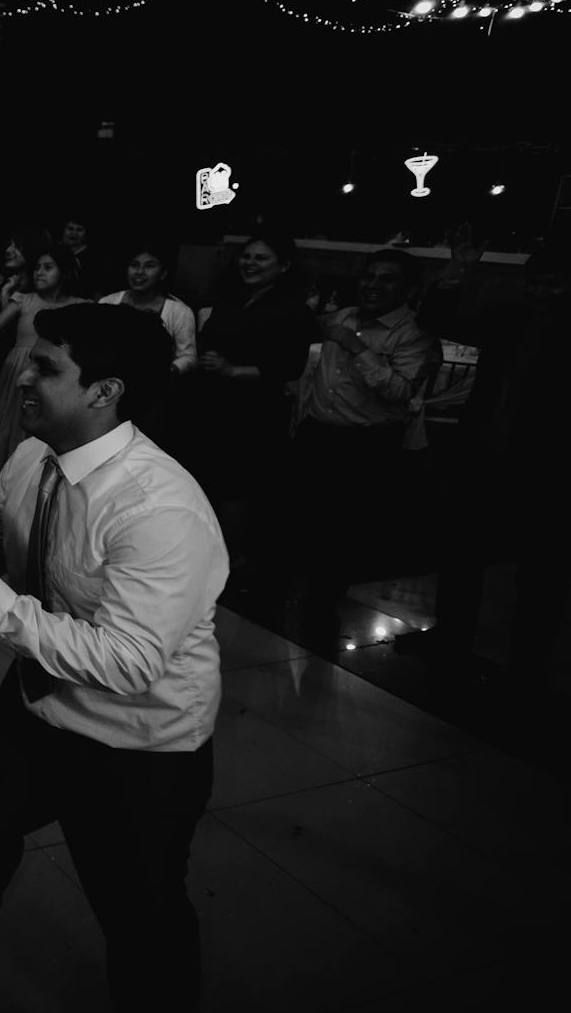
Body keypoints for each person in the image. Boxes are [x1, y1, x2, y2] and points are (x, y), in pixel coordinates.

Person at [0, 303, 226, 1013]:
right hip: (38, 701)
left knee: (142, 913)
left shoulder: (160, 506)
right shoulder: (36, 454)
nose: (23, 377)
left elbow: (128, 661)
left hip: (137, 743)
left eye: (45, 366)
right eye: (29, 359)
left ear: (106, 390)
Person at [396, 233, 571, 679]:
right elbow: (437, 317)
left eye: (552, 285)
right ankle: (451, 638)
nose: (540, 293)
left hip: (547, 469)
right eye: (535, 283)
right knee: (461, 553)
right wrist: (457, 268)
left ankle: (527, 663)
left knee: (541, 573)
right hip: (484, 458)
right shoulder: (511, 318)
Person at [289, 249, 438, 613]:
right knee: (307, 519)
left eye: (386, 279)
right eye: (369, 276)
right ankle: (297, 591)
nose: (373, 285)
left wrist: (358, 347)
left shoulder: (414, 333)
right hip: (318, 433)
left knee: (347, 529)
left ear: (408, 287)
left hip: (365, 444)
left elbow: (402, 392)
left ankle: (325, 604)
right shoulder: (342, 315)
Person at [182, 232, 317, 582]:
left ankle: (229, 560)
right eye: (247, 256)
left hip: (253, 409)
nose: (250, 263)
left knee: (236, 485)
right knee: (205, 478)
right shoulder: (232, 300)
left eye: (261, 258)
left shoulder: (293, 310)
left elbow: (290, 365)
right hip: (211, 402)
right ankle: (199, 552)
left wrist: (234, 369)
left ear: (284, 266)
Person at [0, 244, 87, 474]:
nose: (39, 272)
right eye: (37, 267)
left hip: (54, 373)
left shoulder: (80, 306)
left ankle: (31, 476)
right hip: (18, 368)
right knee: (9, 424)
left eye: (48, 267)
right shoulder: (24, 299)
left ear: (64, 272)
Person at [99, 243, 199, 373]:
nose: (139, 272)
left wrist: (166, 372)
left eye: (149, 266)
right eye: (134, 265)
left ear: (163, 274)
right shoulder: (107, 302)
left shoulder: (179, 311)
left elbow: (188, 357)